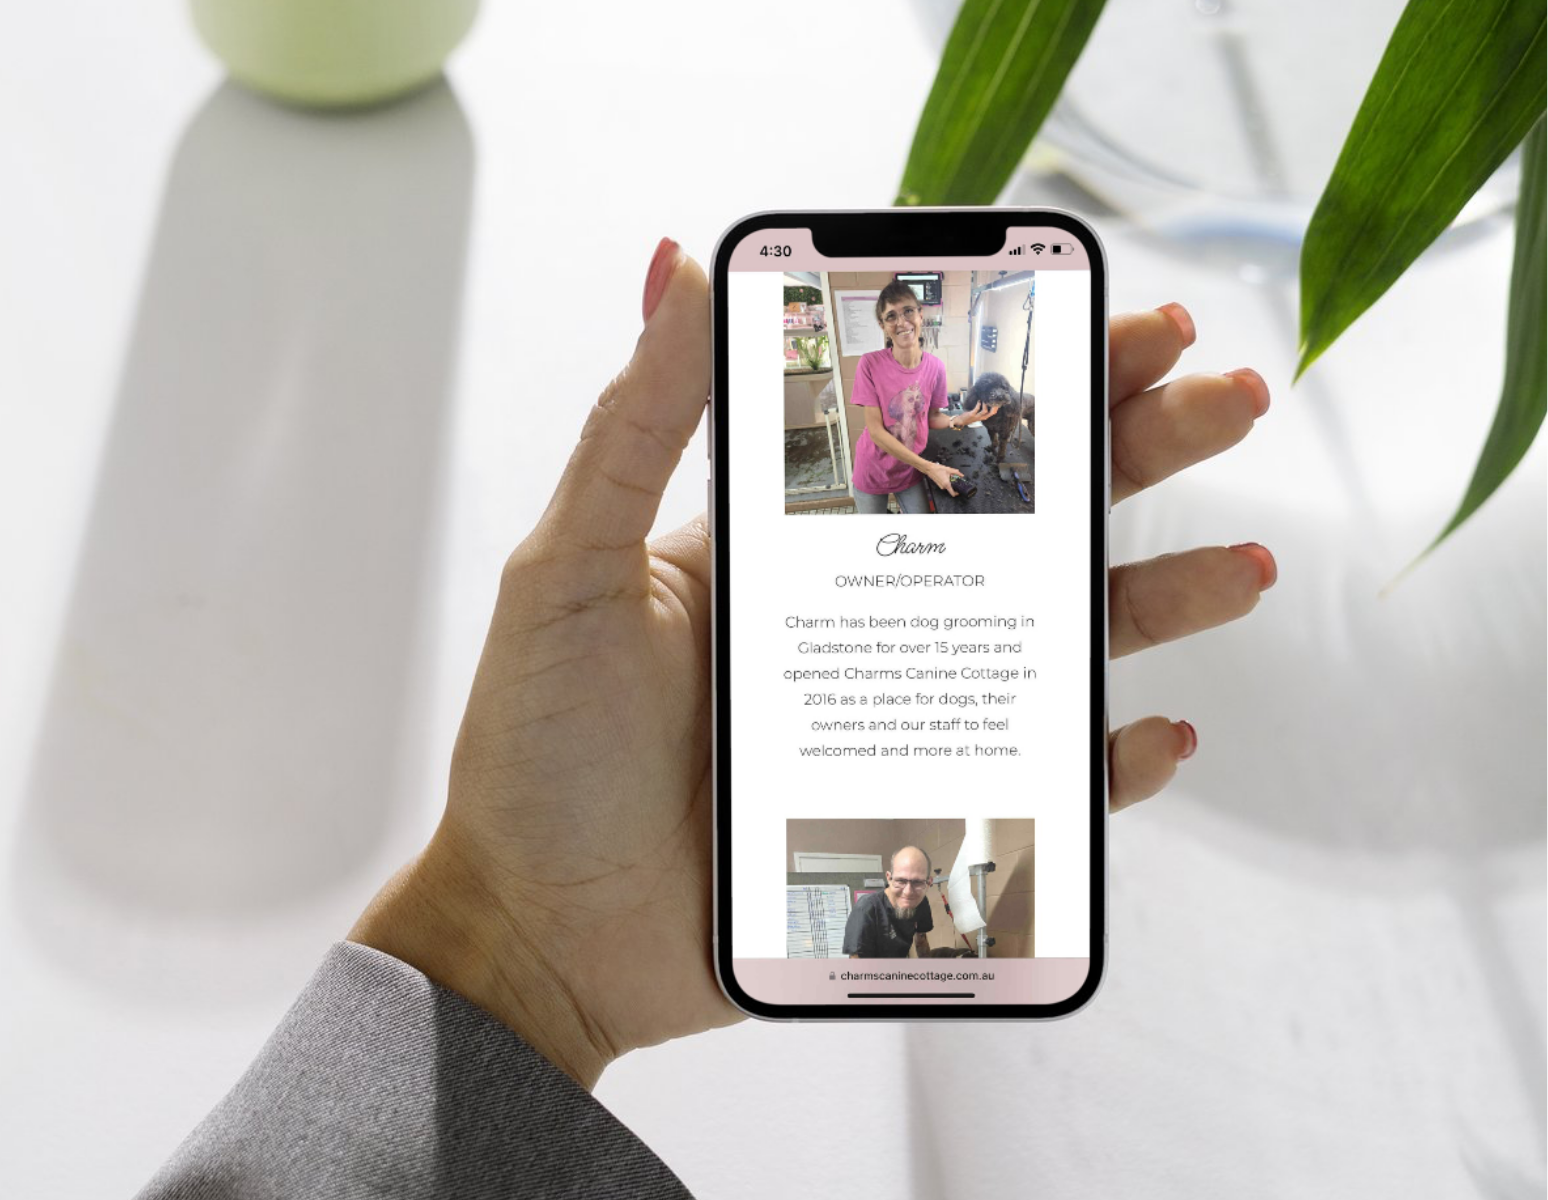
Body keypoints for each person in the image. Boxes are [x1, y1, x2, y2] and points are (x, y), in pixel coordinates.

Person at [137, 238, 1278, 1197]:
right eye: (905, 331)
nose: (917, 344)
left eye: (924, 334)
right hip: (884, 494)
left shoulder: (934, 377)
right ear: (883, 331)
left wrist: (511, 946)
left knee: (995, 511)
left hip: (922, 509)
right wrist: (513, 934)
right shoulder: (874, 382)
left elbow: (938, 431)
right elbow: (877, 449)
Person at [849, 281, 1002, 513]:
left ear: (920, 315)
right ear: (883, 325)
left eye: (908, 311)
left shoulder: (936, 367)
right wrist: (930, 468)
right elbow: (877, 432)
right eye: (891, 316)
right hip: (873, 470)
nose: (901, 322)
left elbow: (931, 417)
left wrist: (957, 420)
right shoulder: (869, 364)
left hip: (910, 471)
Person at [843, 846, 936, 958]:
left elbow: (921, 941)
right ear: (889, 878)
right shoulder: (867, 908)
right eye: (901, 881)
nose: (908, 892)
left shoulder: (920, 902)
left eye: (917, 882)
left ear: (929, 882)